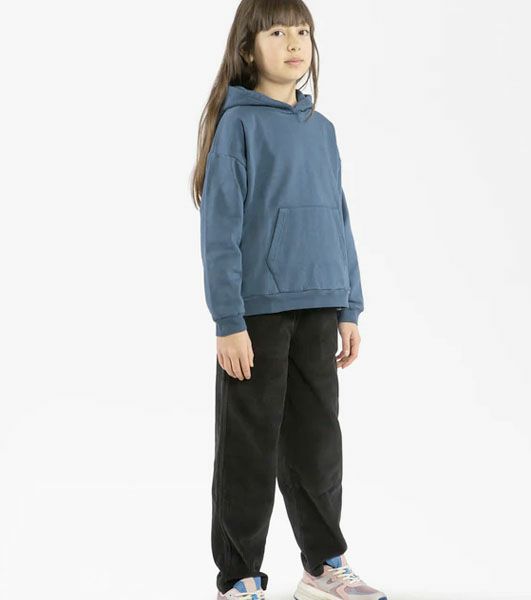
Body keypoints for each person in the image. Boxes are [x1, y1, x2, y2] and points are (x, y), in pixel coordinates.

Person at [192, 2, 388, 600]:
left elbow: (339, 219)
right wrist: (228, 319)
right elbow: (220, 230)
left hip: (320, 302)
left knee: (318, 445)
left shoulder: (321, 130)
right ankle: (239, 578)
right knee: (248, 447)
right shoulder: (238, 126)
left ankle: (323, 566)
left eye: (302, 31)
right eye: (277, 32)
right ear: (248, 48)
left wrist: (350, 306)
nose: (294, 42)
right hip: (256, 312)